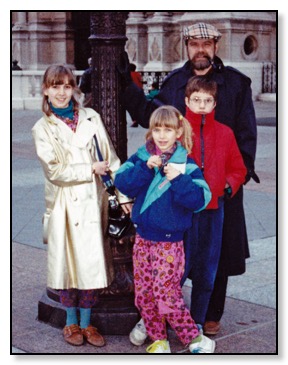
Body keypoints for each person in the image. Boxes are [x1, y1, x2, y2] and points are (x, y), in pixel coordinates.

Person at [118, 22, 259, 339]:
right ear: (186, 46)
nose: (200, 49)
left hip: (219, 195)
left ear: (216, 47)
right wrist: (126, 84)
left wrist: (229, 184)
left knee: (218, 257)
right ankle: (167, 312)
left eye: (206, 44)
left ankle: (210, 314)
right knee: (175, 257)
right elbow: (152, 117)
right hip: (176, 192)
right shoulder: (175, 83)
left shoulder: (236, 84)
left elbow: (247, 141)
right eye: (194, 43)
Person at [32, 64, 132, 347]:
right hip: (64, 204)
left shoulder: (91, 117)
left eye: (66, 86)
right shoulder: (42, 128)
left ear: (73, 88)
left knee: (90, 265)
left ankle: (87, 324)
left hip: (93, 203)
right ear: (45, 90)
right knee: (67, 266)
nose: (61, 93)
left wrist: (123, 198)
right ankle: (70, 322)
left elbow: (111, 160)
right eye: (55, 86)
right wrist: (89, 168)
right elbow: (54, 171)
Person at [114, 105, 214, 354]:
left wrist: (178, 180)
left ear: (178, 131)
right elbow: (121, 181)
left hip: (170, 242)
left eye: (168, 129)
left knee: (166, 294)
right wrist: (145, 168)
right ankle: (159, 339)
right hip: (143, 239)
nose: (161, 135)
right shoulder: (141, 157)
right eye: (157, 129)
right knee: (145, 293)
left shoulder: (187, 165)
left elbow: (200, 200)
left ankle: (194, 338)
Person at [181, 75, 247, 329]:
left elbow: (237, 168)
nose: (201, 105)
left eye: (207, 101)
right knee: (179, 267)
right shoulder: (179, 130)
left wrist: (227, 185)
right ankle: (165, 316)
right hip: (183, 210)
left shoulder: (225, 133)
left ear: (214, 104)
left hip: (213, 210)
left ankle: (197, 320)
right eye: (196, 100)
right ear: (187, 100)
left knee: (208, 268)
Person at [129, 63, 143, 127]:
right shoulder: (138, 74)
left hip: (132, 92)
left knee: (131, 108)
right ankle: (137, 120)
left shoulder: (129, 74)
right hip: (139, 91)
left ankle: (135, 121)